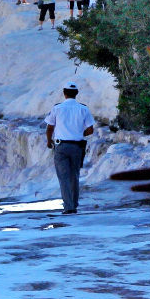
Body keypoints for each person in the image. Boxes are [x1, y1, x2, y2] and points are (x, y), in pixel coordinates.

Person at [45, 82, 95, 215]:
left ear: (64, 92)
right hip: (77, 147)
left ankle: (69, 207)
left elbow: (50, 127)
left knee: (63, 177)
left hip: (61, 146)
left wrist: (49, 141)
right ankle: (74, 203)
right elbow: (90, 130)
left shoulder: (57, 108)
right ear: (76, 93)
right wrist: (80, 134)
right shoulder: (83, 109)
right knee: (74, 176)